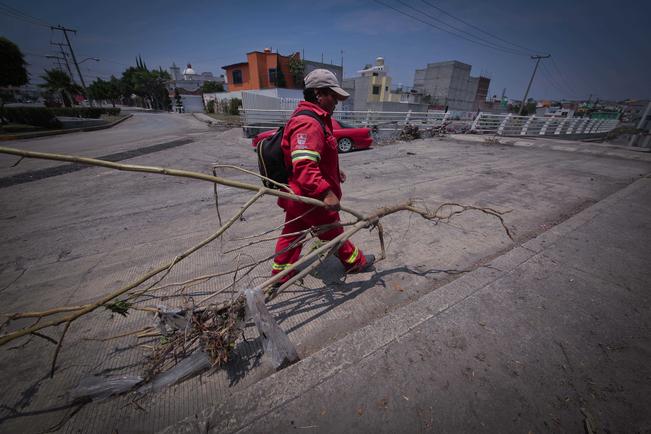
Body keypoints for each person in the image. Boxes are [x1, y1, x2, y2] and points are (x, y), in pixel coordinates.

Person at [270, 69, 374, 285]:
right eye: (333, 96)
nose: (336, 102)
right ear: (318, 93)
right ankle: (355, 262)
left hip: (297, 196)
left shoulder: (313, 118)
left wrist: (335, 172)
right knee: (333, 233)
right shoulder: (308, 123)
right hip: (311, 199)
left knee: (291, 235)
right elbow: (305, 166)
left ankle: (279, 275)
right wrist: (326, 194)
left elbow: (315, 157)